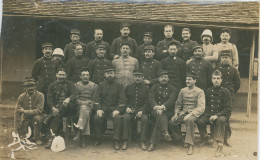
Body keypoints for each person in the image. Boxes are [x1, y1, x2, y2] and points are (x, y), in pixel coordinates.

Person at [196, 70, 232, 157]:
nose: (216, 80)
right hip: (209, 113)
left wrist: (217, 115)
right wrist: (209, 115)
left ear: (221, 80)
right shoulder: (208, 91)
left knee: (220, 121)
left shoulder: (226, 91)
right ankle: (205, 138)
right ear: (211, 80)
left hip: (222, 114)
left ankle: (219, 143)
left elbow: (228, 108)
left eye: (218, 78)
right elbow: (206, 105)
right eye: (214, 78)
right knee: (200, 121)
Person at [169, 72, 205, 155]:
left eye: (190, 79)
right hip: (184, 112)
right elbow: (178, 103)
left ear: (195, 80)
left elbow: (201, 107)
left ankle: (190, 145)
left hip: (195, 113)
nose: (187, 81)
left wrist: (191, 114)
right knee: (171, 122)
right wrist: (176, 113)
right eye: (186, 79)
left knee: (189, 121)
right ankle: (182, 140)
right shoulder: (182, 90)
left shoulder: (200, 91)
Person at [93, 68, 126, 150]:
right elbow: (97, 98)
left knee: (118, 118)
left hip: (114, 109)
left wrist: (118, 109)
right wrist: (99, 109)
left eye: (111, 73)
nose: (110, 75)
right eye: (108, 73)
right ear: (105, 75)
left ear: (114, 74)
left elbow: (122, 99)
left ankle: (116, 140)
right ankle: (98, 138)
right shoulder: (101, 85)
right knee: (96, 118)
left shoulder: (119, 85)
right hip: (103, 108)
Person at [45, 68, 77, 149]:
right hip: (57, 109)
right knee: (57, 116)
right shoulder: (52, 85)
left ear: (66, 76)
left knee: (65, 106)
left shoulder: (70, 84)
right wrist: (52, 107)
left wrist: (69, 98)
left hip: (68, 108)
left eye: (63, 75)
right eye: (60, 74)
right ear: (56, 75)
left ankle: (51, 136)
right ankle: (52, 138)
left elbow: (74, 94)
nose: (61, 76)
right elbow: (49, 98)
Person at [215, 50, 240, 147]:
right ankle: (217, 137)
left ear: (230, 59)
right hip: (218, 95)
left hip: (228, 95)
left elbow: (237, 84)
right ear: (220, 59)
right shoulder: (217, 68)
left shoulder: (234, 70)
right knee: (220, 116)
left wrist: (231, 92)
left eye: (227, 57)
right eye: (223, 57)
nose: (225, 59)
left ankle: (227, 137)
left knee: (227, 117)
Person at [147, 70, 178, 152]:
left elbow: (171, 100)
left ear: (168, 79)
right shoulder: (154, 87)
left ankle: (153, 144)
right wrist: (156, 107)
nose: (163, 79)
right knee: (159, 115)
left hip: (167, 111)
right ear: (158, 79)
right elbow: (151, 98)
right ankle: (166, 132)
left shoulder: (173, 88)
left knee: (159, 119)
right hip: (155, 110)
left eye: (165, 77)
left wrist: (162, 107)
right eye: (161, 77)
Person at [123, 70, 150, 150]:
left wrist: (142, 111)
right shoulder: (128, 87)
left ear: (142, 77)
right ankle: (125, 140)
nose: (137, 78)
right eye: (136, 76)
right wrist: (127, 107)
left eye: (139, 76)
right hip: (130, 110)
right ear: (133, 77)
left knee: (145, 119)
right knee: (126, 118)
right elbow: (124, 100)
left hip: (141, 111)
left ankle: (143, 141)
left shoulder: (146, 88)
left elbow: (147, 102)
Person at [14, 77, 44, 145]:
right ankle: (24, 135)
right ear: (25, 88)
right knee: (24, 138)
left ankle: (37, 137)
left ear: (35, 86)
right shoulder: (21, 97)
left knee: (37, 119)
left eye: (32, 86)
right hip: (26, 118)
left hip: (37, 116)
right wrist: (16, 128)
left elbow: (39, 110)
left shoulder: (40, 95)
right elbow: (17, 113)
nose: (30, 88)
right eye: (28, 86)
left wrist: (24, 111)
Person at [73, 67, 98, 148]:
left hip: (90, 108)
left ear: (89, 76)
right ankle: (82, 136)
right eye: (83, 75)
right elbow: (76, 100)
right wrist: (84, 104)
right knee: (84, 110)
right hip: (78, 108)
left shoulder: (94, 86)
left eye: (87, 75)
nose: (85, 76)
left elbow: (95, 100)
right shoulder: (76, 85)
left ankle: (80, 134)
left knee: (85, 110)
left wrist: (88, 104)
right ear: (80, 76)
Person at [32, 42, 58, 113]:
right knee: (41, 107)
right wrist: (40, 83)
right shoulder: (38, 62)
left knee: (51, 107)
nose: (48, 51)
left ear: (52, 51)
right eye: (46, 49)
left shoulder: (55, 62)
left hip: (52, 87)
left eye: (49, 49)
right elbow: (34, 75)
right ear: (43, 51)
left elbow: (57, 74)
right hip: (42, 88)